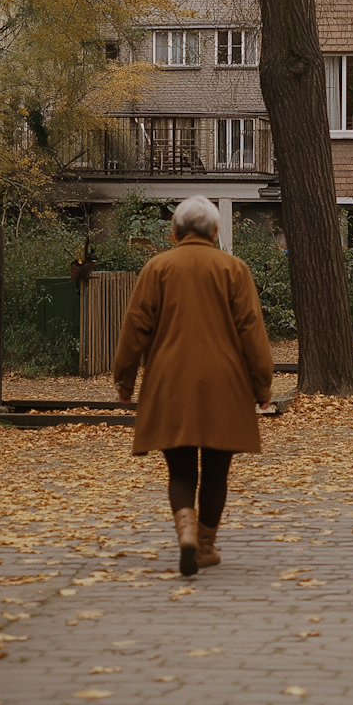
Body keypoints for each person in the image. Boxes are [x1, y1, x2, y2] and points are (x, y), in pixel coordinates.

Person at [112, 196, 274, 577]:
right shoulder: (234, 269)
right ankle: (203, 546)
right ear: (216, 233)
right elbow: (252, 330)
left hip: (170, 381)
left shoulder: (157, 267)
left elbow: (136, 327)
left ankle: (185, 531)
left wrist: (125, 380)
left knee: (181, 470)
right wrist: (262, 386)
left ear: (174, 232)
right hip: (226, 383)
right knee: (217, 472)